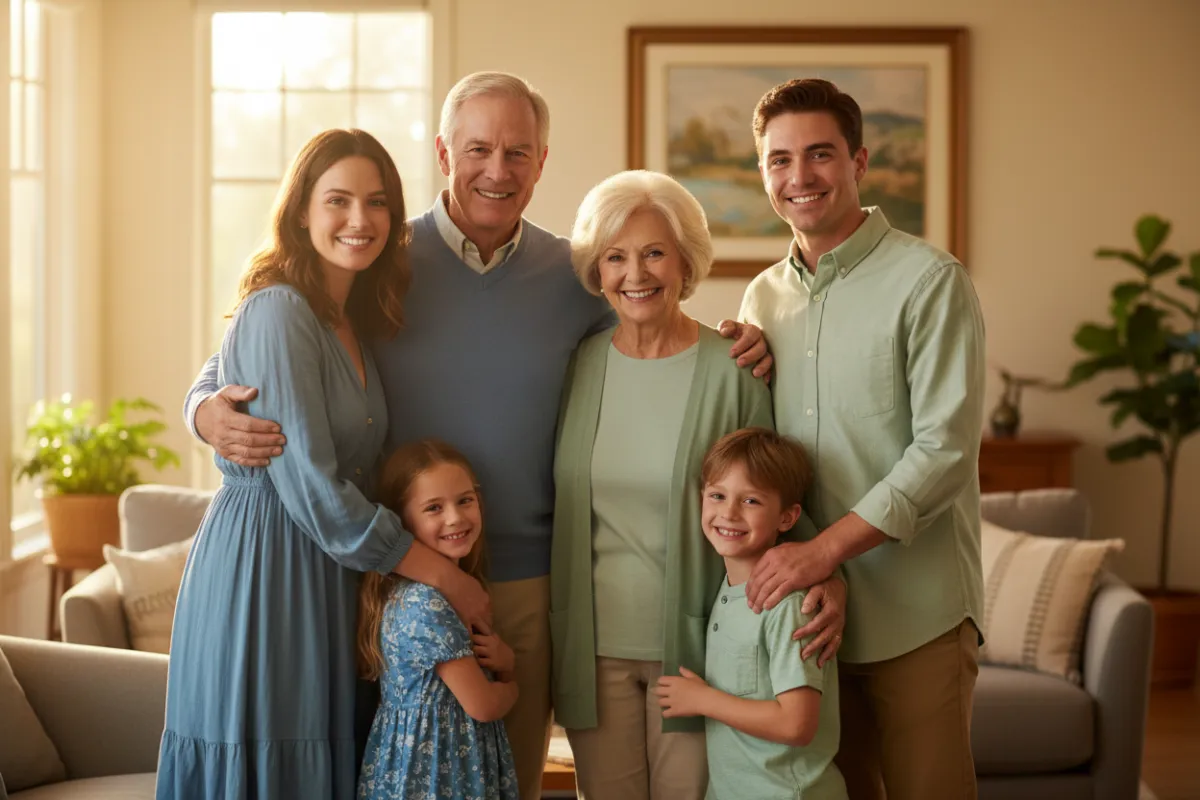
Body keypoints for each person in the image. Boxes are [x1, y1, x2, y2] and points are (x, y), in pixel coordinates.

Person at [183, 72, 774, 800]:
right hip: (396, 577)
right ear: (443, 153)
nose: (498, 170)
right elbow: (268, 336)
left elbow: (651, 324)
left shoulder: (574, 275)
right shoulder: (380, 257)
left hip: (528, 580)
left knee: (505, 780)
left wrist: (737, 339)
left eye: (518, 152)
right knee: (395, 775)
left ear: (542, 161)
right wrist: (202, 405)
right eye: (478, 149)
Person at [156, 129, 470, 800]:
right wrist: (446, 575)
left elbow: (220, 369)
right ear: (301, 211)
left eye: (377, 201)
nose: (360, 219)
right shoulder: (278, 309)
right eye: (338, 200)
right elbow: (319, 495)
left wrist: (199, 403)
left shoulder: (350, 314)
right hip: (267, 568)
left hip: (332, 571)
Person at [550, 170, 845, 800]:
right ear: (597, 270)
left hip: (698, 650)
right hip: (592, 650)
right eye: (616, 257)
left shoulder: (735, 367)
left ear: (686, 262)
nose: (636, 273)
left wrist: (828, 571)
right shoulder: (578, 365)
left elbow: (776, 494)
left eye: (655, 253)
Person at [738, 78, 986, 800]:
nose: (800, 176)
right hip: (809, 621)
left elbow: (943, 452)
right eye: (780, 159)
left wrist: (823, 552)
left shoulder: (930, 280)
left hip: (917, 612)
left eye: (820, 154)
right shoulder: (761, 299)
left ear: (859, 162)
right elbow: (766, 460)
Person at [656, 427, 847, 800]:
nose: (728, 513)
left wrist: (702, 700)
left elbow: (796, 724)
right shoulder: (726, 591)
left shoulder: (790, 605)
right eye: (717, 495)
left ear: (787, 517)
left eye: (751, 501)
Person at [356, 439, 518, 800]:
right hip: (437, 776)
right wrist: (511, 678)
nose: (455, 518)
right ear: (401, 522)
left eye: (465, 500)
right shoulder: (427, 602)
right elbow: (483, 705)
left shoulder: (442, 593)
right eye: (434, 507)